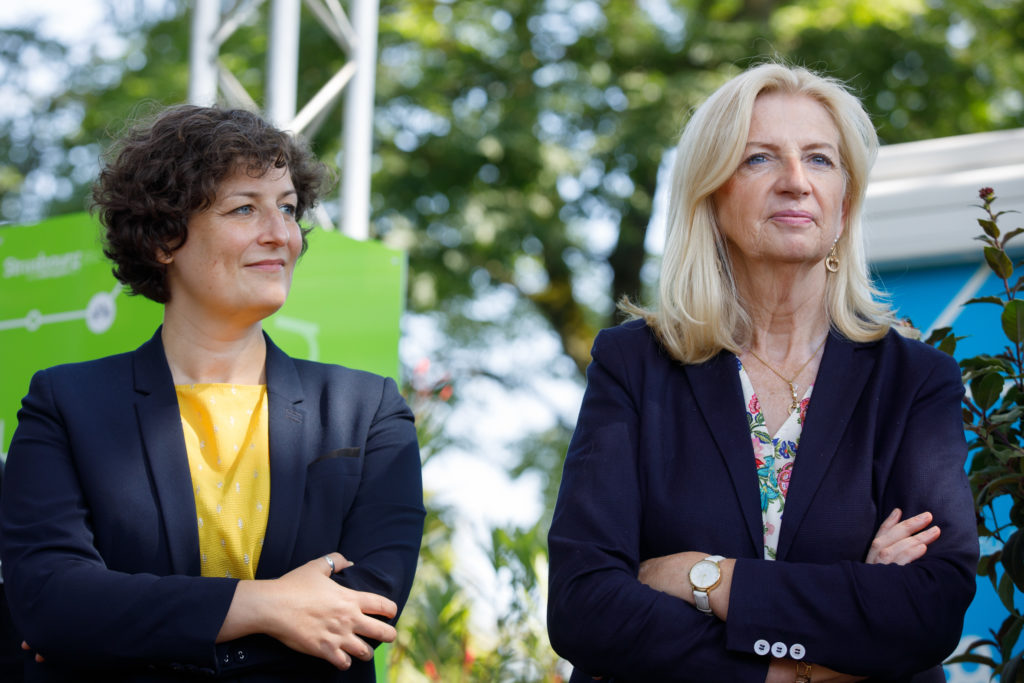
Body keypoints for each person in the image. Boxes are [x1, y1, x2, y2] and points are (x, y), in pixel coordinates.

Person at [546, 63, 978, 682]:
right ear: (712, 195)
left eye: (821, 160)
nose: (797, 183)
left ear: (845, 203)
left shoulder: (914, 382)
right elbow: (584, 606)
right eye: (759, 159)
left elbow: (927, 609)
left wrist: (703, 576)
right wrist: (789, 669)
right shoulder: (634, 365)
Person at [0, 105, 425, 682]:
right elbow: (52, 603)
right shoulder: (66, 403)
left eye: (289, 209)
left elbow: (365, 613)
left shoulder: (366, 410)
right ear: (163, 239)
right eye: (245, 208)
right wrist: (264, 605)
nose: (281, 233)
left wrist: (124, 633)